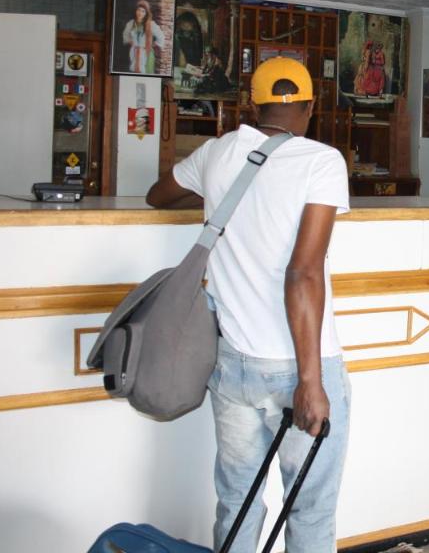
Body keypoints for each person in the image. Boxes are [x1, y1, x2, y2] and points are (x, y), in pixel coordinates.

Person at [146, 57, 351, 553]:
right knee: (308, 508)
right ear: (310, 106)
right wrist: (310, 382)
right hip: (299, 365)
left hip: (233, 365)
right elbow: (303, 273)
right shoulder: (322, 162)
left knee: (238, 500)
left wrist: (211, 190)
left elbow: (158, 195)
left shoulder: (217, 152)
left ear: (252, 105)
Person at [122, 0, 165, 74]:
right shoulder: (131, 23)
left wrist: (151, 44)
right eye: (138, 10)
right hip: (134, 53)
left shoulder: (151, 24)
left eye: (143, 11)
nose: (140, 13)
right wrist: (131, 42)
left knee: (146, 74)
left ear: (146, 13)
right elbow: (125, 35)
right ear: (136, 11)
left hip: (146, 53)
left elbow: (161, 37)